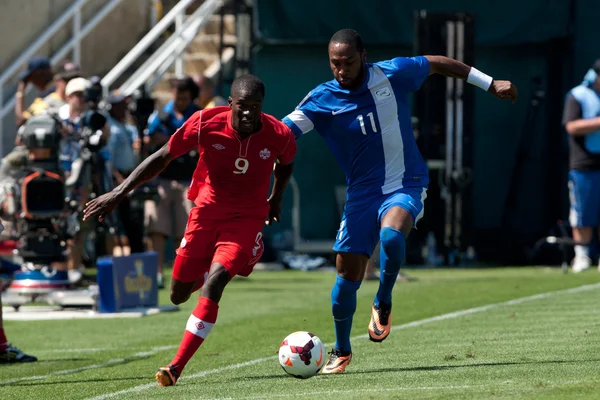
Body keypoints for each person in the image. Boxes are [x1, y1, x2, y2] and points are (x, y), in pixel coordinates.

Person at [282, 28, 518, 374]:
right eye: (335, 63)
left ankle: (384, 299)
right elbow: (283, 132)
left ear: (363, 56)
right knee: (345, 279)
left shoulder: (394, 73)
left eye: (348, 61)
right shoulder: (321, 99)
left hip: (405, 182)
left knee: (392, 236)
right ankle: (342, 350)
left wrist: (490, 82)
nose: (341, 69)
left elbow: (438, 63)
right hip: (361, 195)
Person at [83, 74, 297, 386]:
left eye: (255, 106)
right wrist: (118, 193)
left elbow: (287, 162)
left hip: (246, 219)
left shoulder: (278, 133)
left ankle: (176, 366)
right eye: (242, 107)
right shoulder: (204, 123)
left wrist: (275, 199)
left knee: (216, 282)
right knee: (177, 294)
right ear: (229, 105)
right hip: (206, 213)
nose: (249, 113)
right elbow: (161, 158)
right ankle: (212, 267)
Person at [144, 76, 201, 288]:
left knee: (185, 231)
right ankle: (156, 274)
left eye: (184, 98)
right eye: (177, 97)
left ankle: (181, 274)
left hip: (189, 181)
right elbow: (149, 141)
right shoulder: (161, 115)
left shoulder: (198, 114)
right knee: (157, 228)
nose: (180, 102)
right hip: (162, 179)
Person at [562, 59, 600, 272]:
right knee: (583, 213)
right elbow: (572, 126)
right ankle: (582, 255)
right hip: (584, 165)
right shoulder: (577, 96)